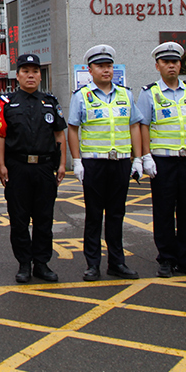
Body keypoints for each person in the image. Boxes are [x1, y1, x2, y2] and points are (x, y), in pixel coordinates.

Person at [67, 45, 142, 282]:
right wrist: (76, 161)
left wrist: (138, 157)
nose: (106, 70)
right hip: (94, 164)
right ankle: (92, 264)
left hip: (119, 162)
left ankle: (117, 262)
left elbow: (134, 126)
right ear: (90, 70)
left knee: (117, 214)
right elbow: (72, 129)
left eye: (109, 66)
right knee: (94, 216)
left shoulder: (125, 94)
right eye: (100, 66)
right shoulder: (81, 96)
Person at [133, 42, 186, 278]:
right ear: (158, 66)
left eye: (175, 62)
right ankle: (166, 258)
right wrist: (145, 157)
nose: (171, 66)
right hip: (162, 161)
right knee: (163, 212)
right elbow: (143, 126)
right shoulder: (149, 92)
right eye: (166, 62)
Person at [0, 52, 66, 284]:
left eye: (34, 71)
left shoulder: (50, 102)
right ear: (18, 75)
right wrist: (1, 164)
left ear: (39, 75)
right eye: (25, 71)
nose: (30, 76)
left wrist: (62, 164)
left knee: (45, 218)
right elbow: (0, 136)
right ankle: (24, 263)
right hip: (18, 168)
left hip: (45, 167)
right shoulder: (6, 103)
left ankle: (42, 263)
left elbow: (59, 134)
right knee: (19, 218)